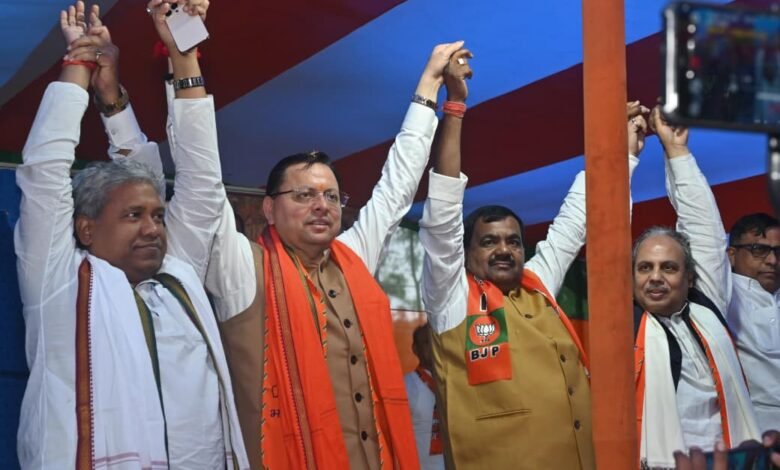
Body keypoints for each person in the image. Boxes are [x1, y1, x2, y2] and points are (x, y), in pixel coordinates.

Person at [161, 35, 464, 467]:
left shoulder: (352, 258)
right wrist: (185, 60)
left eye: (331, 196)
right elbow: (201, 179)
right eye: (303, 195)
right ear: (269, 208)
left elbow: (396, 188)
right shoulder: (241, 269)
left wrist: (429, 85)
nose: (321, 205)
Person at [14, 1, 248, 468]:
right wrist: (79, 65)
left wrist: (183, 52)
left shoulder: (178, 276)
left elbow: (201, 180)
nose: (153, 228)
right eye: (134, 216)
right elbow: (44, 171)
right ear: (85, 228)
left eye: (158, 216)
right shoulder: (59, 282)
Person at [417, 47, 645, 467]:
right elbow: (442, 211)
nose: (504, 249)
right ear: (464, 253)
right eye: (489, 242)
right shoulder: (450, 297)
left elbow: (577, 216)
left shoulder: (538, 283)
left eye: (513, 241)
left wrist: (623, 152)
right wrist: (455, 107)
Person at [632, 108, 760, 469]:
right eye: (645, 267)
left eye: (669, 267)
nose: (655, 277)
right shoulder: (624, 329)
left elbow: (704, 227)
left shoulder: (707, 308)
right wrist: (624, 157)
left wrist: (676, 150)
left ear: (689, 277)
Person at [725, 212, 780, 432]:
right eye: (758, 250)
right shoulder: (725, 295)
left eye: (778, 252)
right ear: (731, 255)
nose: (772, 260)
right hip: (755, 431)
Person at [404, 322, 445, 470]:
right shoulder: (405, 386)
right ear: (415, 349)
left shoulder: (454, 385)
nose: (433, 346)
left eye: (436, 340)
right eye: (427, 342)